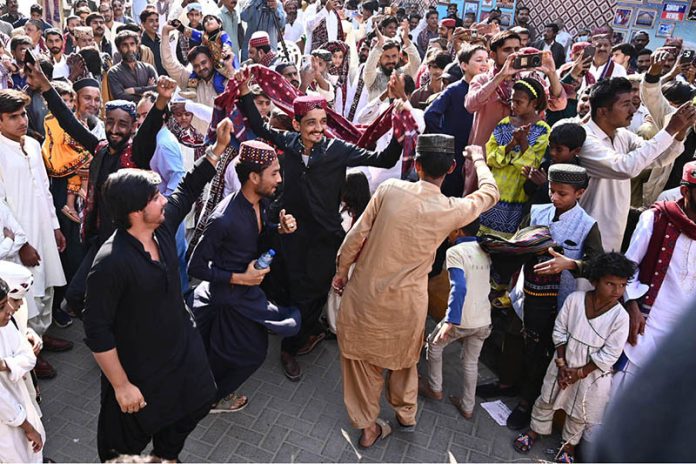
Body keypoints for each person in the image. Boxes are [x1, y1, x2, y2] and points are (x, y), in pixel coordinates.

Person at [234, 67, 406, 381]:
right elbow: (257, 124)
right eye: (310, 122)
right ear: (297, 124)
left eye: (323, 122)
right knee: (286, 283)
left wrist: (398, 121)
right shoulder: (287, 143)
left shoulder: (338, 151)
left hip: (325, 238)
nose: (317, 128)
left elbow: (383, 159)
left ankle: (291, 345)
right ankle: (298, 328)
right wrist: (245, 92)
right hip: (290, 232)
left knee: (312, 291)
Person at [332, 138, 499, 448]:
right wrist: (478, 160)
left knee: (361, 364)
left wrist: (342, 272)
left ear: (416, 164)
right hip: (407, 306)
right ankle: (406, 414)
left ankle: (368, 427)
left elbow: (355, 237)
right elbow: (490, 194)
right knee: (404, 362)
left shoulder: (389, 190)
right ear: (450, 169)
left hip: (365, 296)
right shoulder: (451, 209)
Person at [83, 117, 228, 463]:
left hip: (181, 351)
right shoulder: (110, 263)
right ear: (135, 211)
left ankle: (166, 455)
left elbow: (188, 190)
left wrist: (218, 150)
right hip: (139, 369)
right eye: (155, 196)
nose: (164, 200)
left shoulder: (161, 229)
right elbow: (97, 331)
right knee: (121, 448)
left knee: (197, 402)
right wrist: (121, 386)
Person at [25, 62, 167, 319]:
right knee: (75, 297)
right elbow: (69, 123)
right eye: (110, 123)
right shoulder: (100, 148)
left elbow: (150, 130)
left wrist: (161, 102)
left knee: (123, 299)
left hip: (128, 240)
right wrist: (46, 86)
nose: (114, 130)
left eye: (122, 125)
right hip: (100, 236)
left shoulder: (137, 153)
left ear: (132, 127)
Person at [188, 139, 301, 412]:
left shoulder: (258, 203)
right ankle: (212, 399)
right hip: (229, 298)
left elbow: (257, 234)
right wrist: (239, 278)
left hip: (245, 294)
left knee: (228, 350)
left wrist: (279, 229)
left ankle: (205, 390)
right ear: (253, 177)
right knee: (251, 354)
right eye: (274, 173)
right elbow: (195, 267)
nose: (279, 179)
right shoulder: (224, 218)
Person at [505, 164, 603, 430]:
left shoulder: (587, 225)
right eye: (552, 190)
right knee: (515, 338)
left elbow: (596, 265)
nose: (555, 198)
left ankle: (526, 403)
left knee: (539, 352)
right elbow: (519, 241)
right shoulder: (538, 211)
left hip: (557, 303)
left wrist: (570, 264)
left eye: (563, 193)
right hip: (526, 292)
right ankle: (506, 384)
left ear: (580, 193)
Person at [513, 252, 634, 463]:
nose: (617, 291)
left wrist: (578, 373)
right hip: (563, 362)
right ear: (595, 280)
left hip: (591, 374)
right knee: (547, 398)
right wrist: (562, 365)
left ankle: (567, 447)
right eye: (610, 284)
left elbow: (610, 353)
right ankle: (534, 431)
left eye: (622, 285)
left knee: (579, 413)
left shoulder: (621, 317)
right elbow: (559, 331)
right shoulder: (575, 300)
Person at [577, 77, 694, 252]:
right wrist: (669, 129)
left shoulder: (622, 135)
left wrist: (679, 132)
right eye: (625, 104)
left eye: (632, 103)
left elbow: (659, 158)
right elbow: (625, 168)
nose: (633, 109)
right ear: (602, 111)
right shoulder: (586, 139)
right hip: (587, 229)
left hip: (615, 230)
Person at [0, 89, 69, 379]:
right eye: (13, 117)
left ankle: (43, 334)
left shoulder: (31, 142)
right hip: (18, 239)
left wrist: (54, 226)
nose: (21, 121)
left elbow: (44, 187)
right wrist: (23, 241)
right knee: (26, 294)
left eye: (24, 114)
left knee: (48, 287)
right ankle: (29, 348)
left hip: (43, 227)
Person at [611, 160, 696, 396]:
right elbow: (626, 269)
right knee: (622, 392)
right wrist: (632, 305)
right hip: (649, 321)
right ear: (685, 191)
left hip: (685, 332)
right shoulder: (656, 219)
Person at [419, 218, 492, 419]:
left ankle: (435, 387)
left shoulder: (455, 252)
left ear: (458, 231)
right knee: (471, 362)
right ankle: (467, 406)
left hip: (461, 319)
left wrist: (451, 321)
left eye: (450, 229)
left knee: (434, 345)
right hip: (484, 319)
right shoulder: (484, 249)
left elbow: (459, 287)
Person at [479, 77, 551, 238]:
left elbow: (531, 166)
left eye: (519, 102)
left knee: (506, 240)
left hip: (517, 193)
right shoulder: (505, 123)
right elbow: (491, 157)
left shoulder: (543, 130)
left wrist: (523, 141)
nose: (513, 105)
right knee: (484, 237)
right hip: (496, 187)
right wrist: (511, 144)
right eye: (512, 101)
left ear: (534, 103)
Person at [424, 44, 488, 197]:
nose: (484, 64)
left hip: (480, 153)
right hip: (456, 153)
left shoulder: (489, 89)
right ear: (464, 65)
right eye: (479, 60)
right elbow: (430, 114)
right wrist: (446, 140)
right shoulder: (455, 89)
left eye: (486, 60)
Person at [0, 277, 45, 463]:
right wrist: (27, 427)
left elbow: (28, 356)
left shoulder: (6, 325)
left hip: (21, 406)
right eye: (2, 306)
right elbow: (3, 402)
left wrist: (6, 365)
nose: (10, 309)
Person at [107, 30, 158, 102]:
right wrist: (148, 88)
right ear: (118, 49)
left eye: (132, 44)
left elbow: (158, 89)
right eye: (125, 45)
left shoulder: (148, 68)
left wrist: (134, 90)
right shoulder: (114, 72)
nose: (130, 48)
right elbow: (119, 96)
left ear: (137, 46)